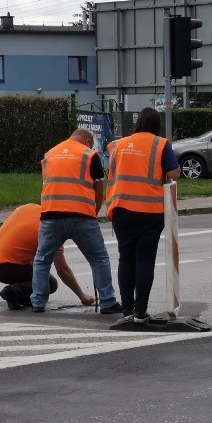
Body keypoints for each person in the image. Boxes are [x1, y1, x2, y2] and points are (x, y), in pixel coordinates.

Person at [30, 128, 124, 314]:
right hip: (82, 217)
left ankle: (38, 302)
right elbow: (99, 190)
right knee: (98, 259)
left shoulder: (49, 154)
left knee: (42, 260)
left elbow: (48, 183)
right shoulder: (90, 155)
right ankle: (107, 301)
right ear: (88, 141)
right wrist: (94, 212)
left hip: (51, 216)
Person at [106, 107, 181, 323]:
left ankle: (127, 311)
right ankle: (140, 312)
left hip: (120, 209)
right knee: (145, 261)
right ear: (157, 124)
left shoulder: (117, 145)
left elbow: (111, 171)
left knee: (126, 259)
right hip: (150, 211)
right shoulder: (160, 144)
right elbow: (174, 172)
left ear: (138, 123)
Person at [0, 203, 95, 310]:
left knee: (37, 269)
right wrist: (82, 295)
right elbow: (62, 270)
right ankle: (13, 291)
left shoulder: (28, 207)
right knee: (50, 283)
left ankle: (23, 298)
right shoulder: (53, 229)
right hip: (4, 268)